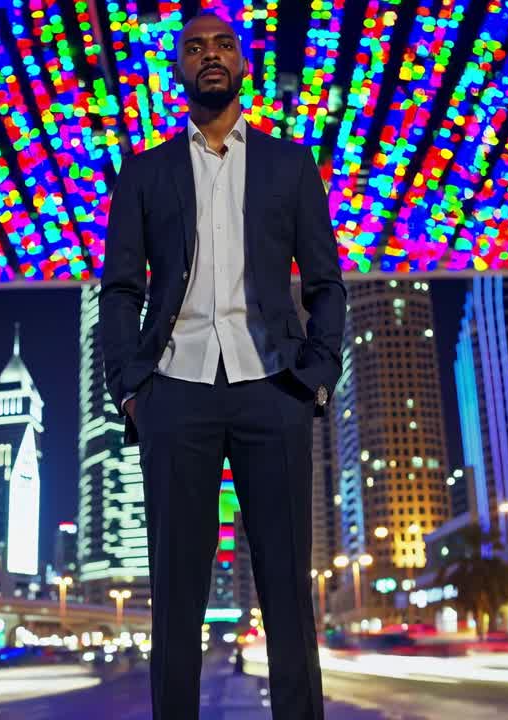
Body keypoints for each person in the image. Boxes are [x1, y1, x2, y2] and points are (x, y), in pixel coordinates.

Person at [98, 11, 346, 719]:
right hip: (174, 392)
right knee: (176, 593)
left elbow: (326, 283)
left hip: (274, 387)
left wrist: (314, 379)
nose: (211, 55)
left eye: (223, 44)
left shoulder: (288, 164)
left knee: (287, 593)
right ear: (178, 70)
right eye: (196, 47)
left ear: (241, 63)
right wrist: (131, 391)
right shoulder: (143, 172)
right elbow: (120, 289)